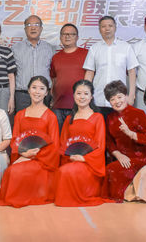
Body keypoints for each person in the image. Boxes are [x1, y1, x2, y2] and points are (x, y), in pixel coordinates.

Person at [0, 76, 59, 207]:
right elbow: (15, 140)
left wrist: (33, 155)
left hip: (43, 161)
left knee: (16, 171)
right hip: (23, 156)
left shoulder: (50, 116)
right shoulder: (20, 115)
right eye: (34, 88)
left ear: (47, 92)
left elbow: (54, 145)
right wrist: (23, 154)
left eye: (41, 89)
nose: (37, 92)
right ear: (28, 90)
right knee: (11, 171)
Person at [54, 79, 108, 207]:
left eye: (86, 93)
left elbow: (100, 146)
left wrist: (84, 158)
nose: (82, 97)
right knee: (63, 170)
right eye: (78, 93)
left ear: (91, 96)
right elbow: (63, 144)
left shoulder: (97, 117)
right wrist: (71, 157)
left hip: (90, 163)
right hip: (71, 160)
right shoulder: (69, 119)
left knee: (67, 171)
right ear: (73, 96)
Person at [103, 80, 146, 202]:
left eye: (119, 97)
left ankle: (123, 196)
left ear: (126, 96)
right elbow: (109, 141)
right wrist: (118, 154)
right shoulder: (110, 117)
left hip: (138, 158)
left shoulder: (138, 113)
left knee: (112, 170)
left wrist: (130, 133)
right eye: (112, 99)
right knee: (107, 169)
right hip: (121, 157)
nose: (117, 101)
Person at [83, 16, 138, 117]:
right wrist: (86, 94)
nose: (107, 29)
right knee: (99, 126)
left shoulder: (126, 47)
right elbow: (89, 73)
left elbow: (132, 72)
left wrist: (131, 95)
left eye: (110, 26)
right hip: (98, 99)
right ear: (99, 29)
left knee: (120, 126)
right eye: (103, 26)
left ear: (115, 27)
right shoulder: (94, 48)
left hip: (120, 100)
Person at [11, 15, 55, 113]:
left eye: (36, 24)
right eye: (29, 25)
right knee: (22, 121)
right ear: (25, 29)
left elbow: (54, 74)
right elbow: (12, 74)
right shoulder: (15, 49)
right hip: (22, 95)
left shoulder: (50, 49)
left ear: (41, 28)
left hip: (44, 95)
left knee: (43, 121)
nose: (33, 28)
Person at [49, 23, 88, 128]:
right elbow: (54, 78)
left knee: (76, 136)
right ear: (60, 37)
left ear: (77, 37)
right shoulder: (56, 57)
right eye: (64, 34)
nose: (67, 36)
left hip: (79, 105)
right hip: (58, 105)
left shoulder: (87, 54)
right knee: (59, 135)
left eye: (71, 34)